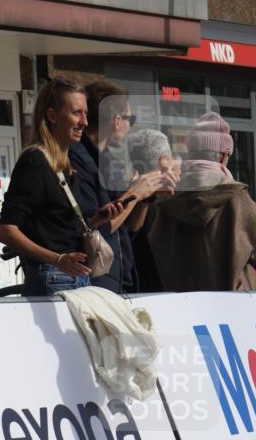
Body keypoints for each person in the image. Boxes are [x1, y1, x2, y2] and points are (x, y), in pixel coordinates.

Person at [0, 77, 123, 296]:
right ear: (53, 116)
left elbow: (57, 229)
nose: (84, 121)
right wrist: (58, 259)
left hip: (76, 277)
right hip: (53, 278)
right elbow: (7, 231)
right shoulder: (35, 161)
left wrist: (95, 221)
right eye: (77, 113)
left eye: (86, 113)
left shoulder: (66, 164)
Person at [70, 81, 176, 293]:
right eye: (131, 118)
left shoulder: (111, 162)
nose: (131, 126)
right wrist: (134, 193)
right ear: (117, 121)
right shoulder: (77, 160)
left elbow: (128, 229)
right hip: (97, 283)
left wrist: (146, 196)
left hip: (121, 277)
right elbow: (99, 226)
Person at [148, 112, 256, 292]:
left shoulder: (168, 197)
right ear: (224, 155)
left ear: (191, 153)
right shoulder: (236, 197)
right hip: (228, 310)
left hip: (180, 308)